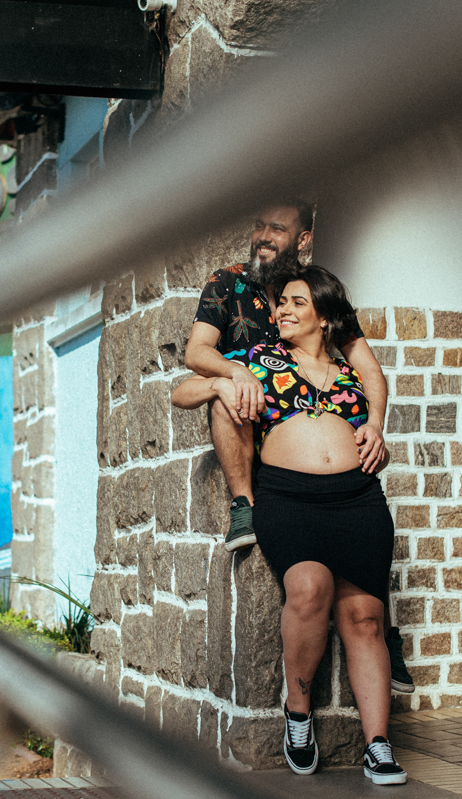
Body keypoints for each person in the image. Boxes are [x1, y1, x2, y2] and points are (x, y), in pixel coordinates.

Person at [171, 266, 406, 785]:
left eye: (297, 302)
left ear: (324, 317)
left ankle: (378, 745)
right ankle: (297, 717)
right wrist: (224, 384)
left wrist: (376, 431)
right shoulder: (259, 360)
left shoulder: (350, 372)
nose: (283, 310)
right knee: (308, 588)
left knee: (366, 616)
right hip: (289, 498)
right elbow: (181, 393)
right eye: (281, 303)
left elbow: (374, 399)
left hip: (359, 499)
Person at [180, 200, 414, 695]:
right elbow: (197, 355)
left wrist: (375, 425)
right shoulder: (228, 283)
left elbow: (367, 369)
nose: (264, 235)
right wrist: (233, 374)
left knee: (364, 519)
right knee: (224, 394)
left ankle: (382, 635)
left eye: (277, 228)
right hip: (259, 421)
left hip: (325, 442)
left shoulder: (318, 293)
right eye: (258, 224)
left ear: (303, 239)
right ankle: (244, 504)